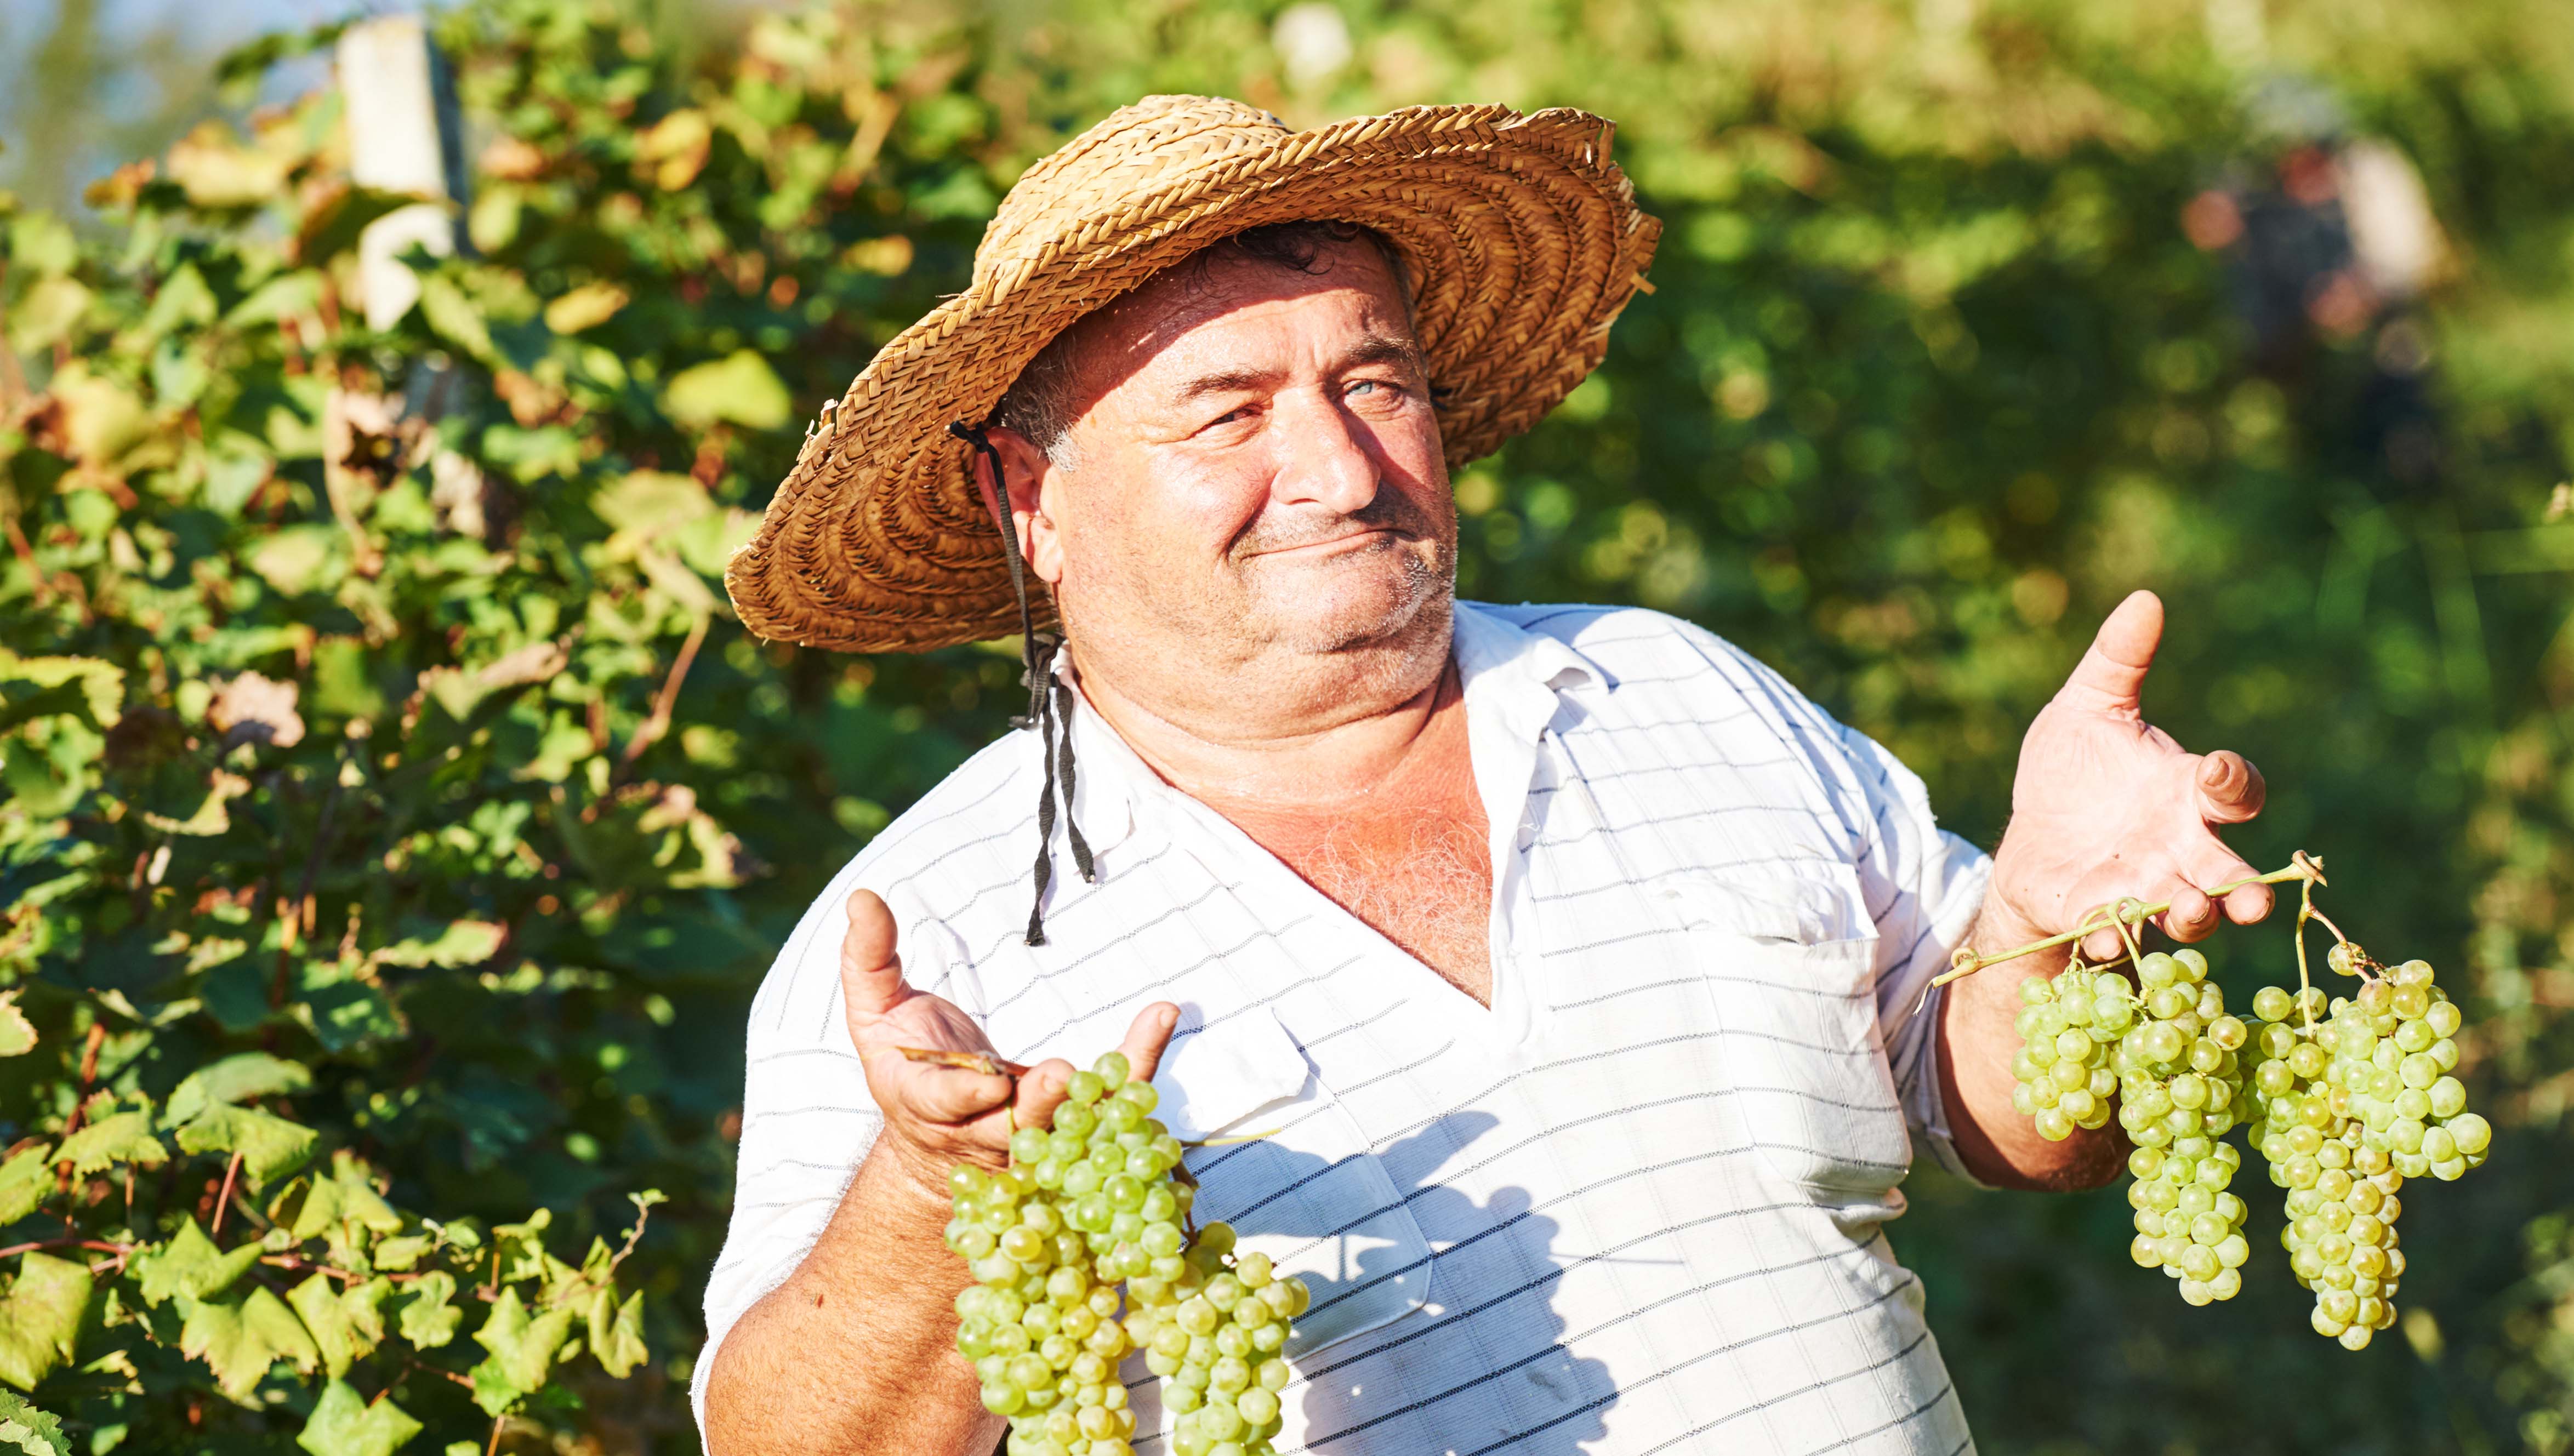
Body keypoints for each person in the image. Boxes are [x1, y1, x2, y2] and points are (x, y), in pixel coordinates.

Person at [696, 95, 2273, 1455]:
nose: (1334, 466)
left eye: (1372, 383)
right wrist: (929, 1188)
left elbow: (2003, 1116)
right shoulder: (943, 946)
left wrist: (2052, 911)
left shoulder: (1674, 695)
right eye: (1226, 412)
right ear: (1029, 497)